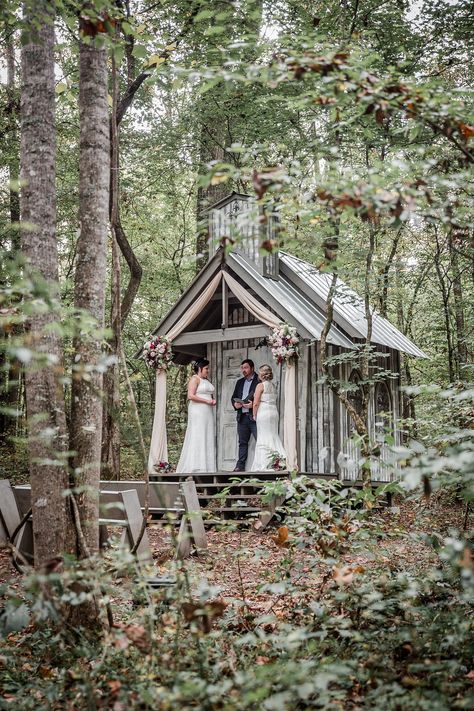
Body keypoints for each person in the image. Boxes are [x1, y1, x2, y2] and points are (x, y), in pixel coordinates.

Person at [176, 358, 216, 473]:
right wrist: (207, 401)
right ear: (200, 368)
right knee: (198, 434)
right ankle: (196, 465)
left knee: (207, 434)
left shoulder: (206, 381)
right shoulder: (195, 379)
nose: (208, 370)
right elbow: (191, 396)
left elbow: (208, 394)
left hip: (207, 411)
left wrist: (212, 400)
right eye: (206, 368)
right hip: (198, 410)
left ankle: (207, 466)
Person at [250, 364, 286, 471]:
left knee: (263, 436)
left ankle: (264, 463)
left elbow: (256, 403)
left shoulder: (260, 386)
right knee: (273, 435)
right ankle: (278, 461)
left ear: (261, 375)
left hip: (264, 412)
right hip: (273, 412)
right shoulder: (273, 386)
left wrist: (254, 414)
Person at [231, 359, 259, 472]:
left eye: (246, 367)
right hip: (242, 417)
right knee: (242, 443)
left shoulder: (259, 380)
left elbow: (264, 398)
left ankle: (262, 465)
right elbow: (233, 397)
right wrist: (235, 404)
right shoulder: (239, 382)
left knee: (260, 440)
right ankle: (240, 466)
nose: (244, 370)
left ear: (252, 368)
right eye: (242, 368)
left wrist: (253, 405)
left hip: (254, 417)